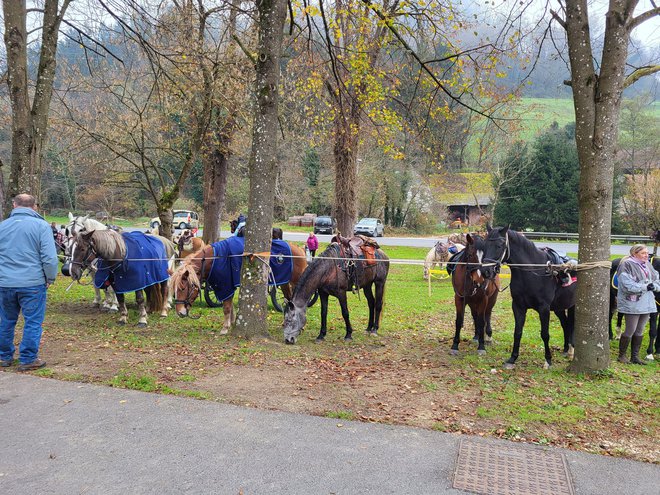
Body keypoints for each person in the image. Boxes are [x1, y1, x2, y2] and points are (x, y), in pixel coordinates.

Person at [0, 194, 59, 371]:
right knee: (32, 321)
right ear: (34, 207)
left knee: (6, 320)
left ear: (14, 205)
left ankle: (4, 356)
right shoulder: (41, 226)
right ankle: (27, 358)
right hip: (32, 283)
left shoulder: (2, 226)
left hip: (5, 283)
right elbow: (49, 258)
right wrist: (50, 277)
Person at [616, 244, 660, 365]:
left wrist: (654, 286)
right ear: (635, 253)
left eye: (647, 253)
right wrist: (646, 286)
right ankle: (622, 355)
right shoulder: (626, 265)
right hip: (632, 302)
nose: (646, 255)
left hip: (647, 302)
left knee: (640, 330)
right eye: (643, 253)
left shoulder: (647, 264)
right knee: (630, 330)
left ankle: (634, 356)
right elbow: (627, 285)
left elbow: (657, 278)